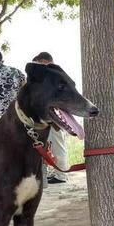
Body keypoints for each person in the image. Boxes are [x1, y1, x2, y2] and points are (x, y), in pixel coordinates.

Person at [32, 51, 69, 184]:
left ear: (43, 61)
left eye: (38, 64)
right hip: (54, 115)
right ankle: (59, 172)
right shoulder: (57, 74)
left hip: (57, 115)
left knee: (58, 144)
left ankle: (61, 175)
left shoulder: (54, 75)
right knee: (54, 145)